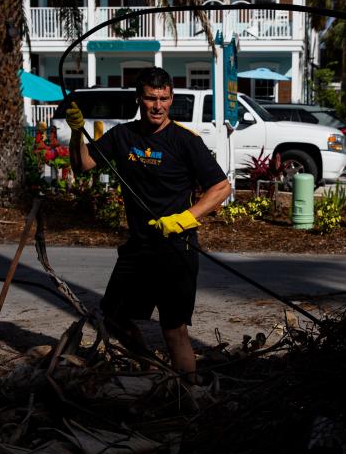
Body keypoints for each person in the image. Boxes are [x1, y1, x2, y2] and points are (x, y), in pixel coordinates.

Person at [67, 67, 231, 382]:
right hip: (138, 248)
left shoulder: (185, 141)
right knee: (114, 318)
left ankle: (187, 393)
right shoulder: (123, 136)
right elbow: (82, 164)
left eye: (164, 98)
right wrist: (78, 132)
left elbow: (221, 188)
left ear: (171, 100)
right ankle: (150, 367)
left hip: (176, 248)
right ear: (139, 99)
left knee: (173, 330)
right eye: (151, 98)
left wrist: (185, 218)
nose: (158, 106)